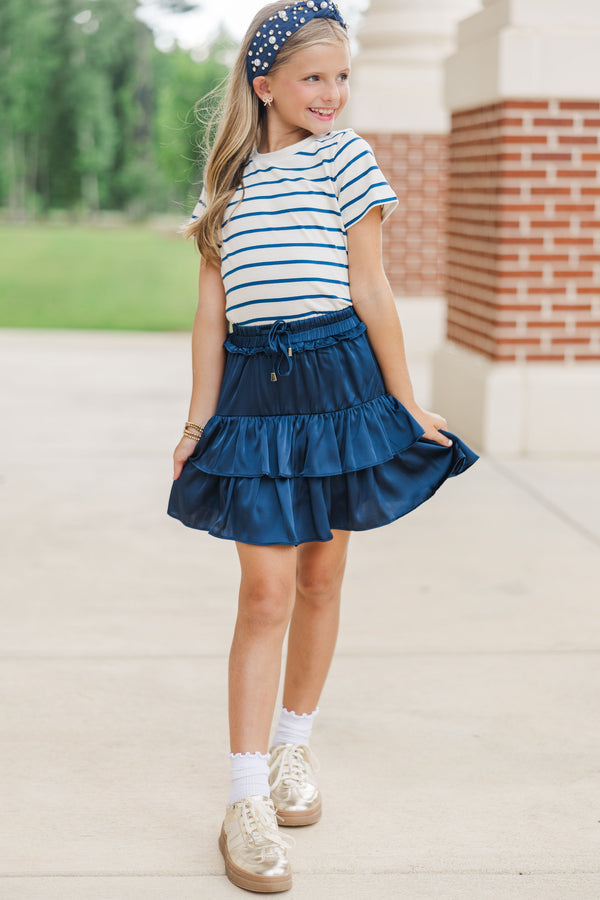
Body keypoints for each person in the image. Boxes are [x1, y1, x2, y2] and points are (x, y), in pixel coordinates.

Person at [168, 0, 478, 892]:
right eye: (314, 77)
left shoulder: (348, 159)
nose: (332, 93)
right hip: (255, 398)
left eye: (343, 77)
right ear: (264, 85)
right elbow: (210, 312)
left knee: (320, 577)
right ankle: (242, 801)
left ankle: (291, 750)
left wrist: (406, 402)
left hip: (339, 385)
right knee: (264, 593)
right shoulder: (226, 182)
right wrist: (196, 421)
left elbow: (372, 288)